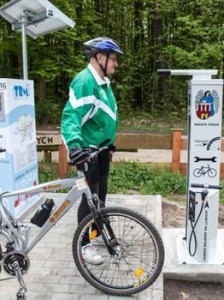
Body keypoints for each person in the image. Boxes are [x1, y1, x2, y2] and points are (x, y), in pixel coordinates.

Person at [61, 37, 124, 264]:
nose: (115, 64)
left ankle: (94, 235)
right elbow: (71, 116)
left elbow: (103, 117)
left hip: (101, 150)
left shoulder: (102, 82)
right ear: (100, 57)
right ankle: (84, 246)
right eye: (113, 59)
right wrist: (75, 145)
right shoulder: (85, 81)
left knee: (100, 197)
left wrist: (109, 144)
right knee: (89, 199)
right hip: (87, 151)